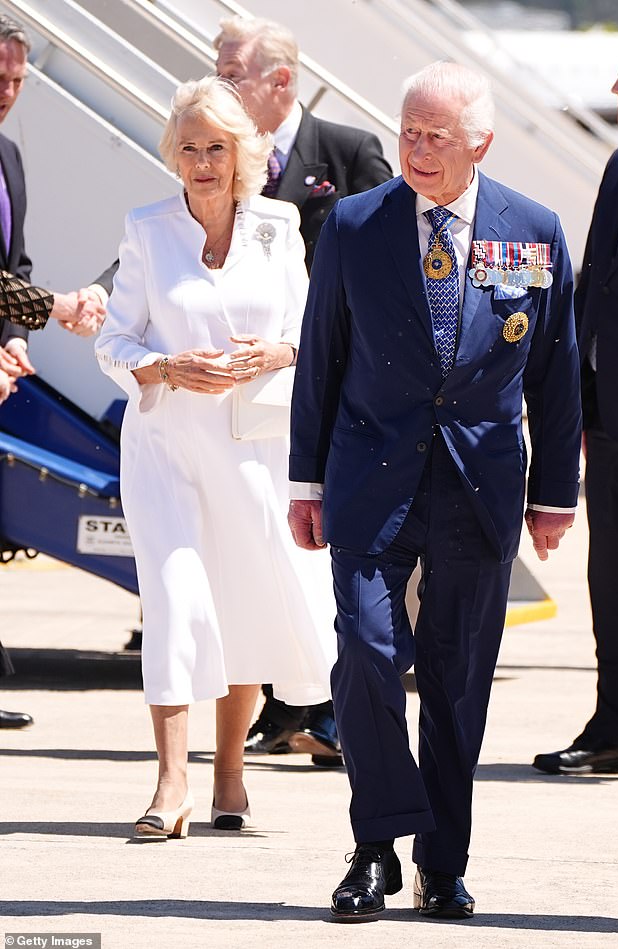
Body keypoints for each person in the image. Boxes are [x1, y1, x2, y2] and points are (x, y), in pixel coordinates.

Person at [288, 61, 582, 922]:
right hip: (371, 476)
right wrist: (306, 480)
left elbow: (558, 375)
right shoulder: (353, 224)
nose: (415, 149)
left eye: (435, 137)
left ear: (478, 142)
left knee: (458, 680)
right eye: (408, 132)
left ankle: (441, 862)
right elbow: (322, 359)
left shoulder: (534, 231)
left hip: (480, 485)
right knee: (370, 655)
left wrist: (557, 493)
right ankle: (375, 846)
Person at [95, 75, 335, 838]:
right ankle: (171, 783)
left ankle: (229, 773)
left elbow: (312, 335)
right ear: (175, 155)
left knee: (242, 609)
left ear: (244, 153)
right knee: (174, 599)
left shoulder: (279, 225)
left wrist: (279, 350)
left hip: (254, 449)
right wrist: (166, 367)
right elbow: (113, 341)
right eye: (190, 147)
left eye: (218, 148)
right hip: (167, 447)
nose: (203, 162)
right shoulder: (145, 226)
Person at [212, 13, 393, 766]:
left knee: (333, 554)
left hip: (341, 394)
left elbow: (392, 272)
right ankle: (290, 706)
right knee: (273, 550)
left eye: (230, 73)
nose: (219, 84)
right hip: (257, 404)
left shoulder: (346, 154)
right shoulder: (222, 160)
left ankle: (338, 710)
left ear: (279, 82)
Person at [0, 15, 105, 729]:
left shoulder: (8, 152)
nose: (8, 92)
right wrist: (58, 308)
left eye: (17, 79)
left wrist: (11, 340)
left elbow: (17, 264)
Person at [533, 43, 618, 776]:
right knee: (615, 577)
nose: (614, 87)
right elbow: (590, 287)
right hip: (609, 419)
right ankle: (615, 723)